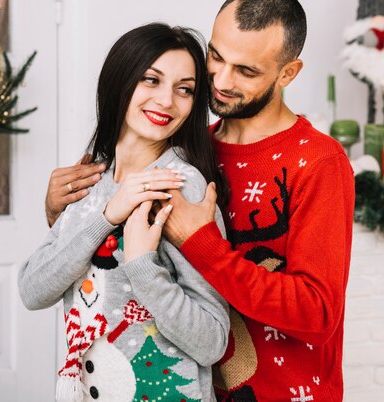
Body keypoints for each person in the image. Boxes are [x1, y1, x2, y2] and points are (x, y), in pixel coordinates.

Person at [45, 0, 355, 401]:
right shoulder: (185, 152)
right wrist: (62, 214)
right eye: (216, 57)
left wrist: (202, 242)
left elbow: (317, 314)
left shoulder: (319, 162)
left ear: (288, 73)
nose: (222, 82)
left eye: (246, 71)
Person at [19, 23, 230, 402]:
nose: (167, 100)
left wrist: (142, 266)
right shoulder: (91, 177)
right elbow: (32, 290)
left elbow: (213, 342)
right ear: (120, 80)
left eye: (185, 89)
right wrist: (106, 216)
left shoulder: (180, 186)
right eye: (151, 80)